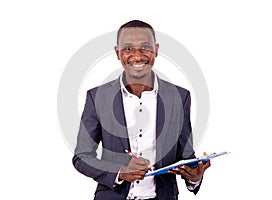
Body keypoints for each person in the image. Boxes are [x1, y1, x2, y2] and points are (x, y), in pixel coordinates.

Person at [72, 20, 211, 200]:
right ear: (117, 53)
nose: (137, 56)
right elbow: (82, 157)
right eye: (128, 48)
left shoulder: (179, 97)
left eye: (145, 47)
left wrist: (195, 177)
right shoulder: (98, 97)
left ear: (156, 50)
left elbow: (185, 155)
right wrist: (120, 172)